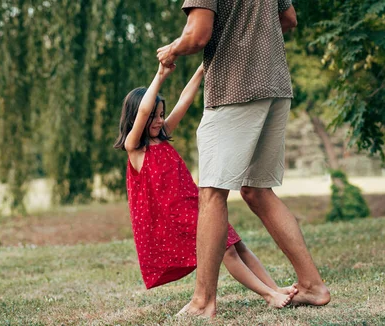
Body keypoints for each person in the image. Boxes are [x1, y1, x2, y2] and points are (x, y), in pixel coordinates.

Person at [156, 0, 330, 317]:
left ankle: (203, 301)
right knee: (257, 190)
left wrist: (172, 50)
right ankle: (312, 285)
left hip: (234, 91)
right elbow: (288, 19)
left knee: (211, 192)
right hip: (275, 85)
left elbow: (197, 35)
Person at [114, 63, 297, 308]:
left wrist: (203, 68)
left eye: (160, 115)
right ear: (138, 117)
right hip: (179, 214)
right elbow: (143, 108)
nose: (159, 120)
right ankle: (269, 296)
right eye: (153, 116)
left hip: (197, 203)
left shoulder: (163, 134)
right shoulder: (136, 148)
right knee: (227, 251)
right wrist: (159, 75)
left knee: (238, 245)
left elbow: (184, 101)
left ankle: (274, 288)